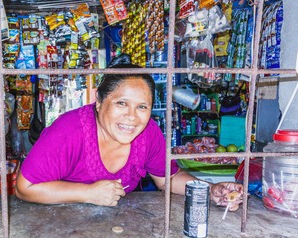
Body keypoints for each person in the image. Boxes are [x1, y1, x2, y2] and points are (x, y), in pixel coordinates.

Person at [16, 54, 243, 210]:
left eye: (142, 107)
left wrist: (210, 190)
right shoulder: (69, 131)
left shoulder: (148, 133)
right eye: (121, 103)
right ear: (99, 100)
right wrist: (87, 193)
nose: (132, 117)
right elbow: (24, 188)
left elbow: (169, 178)